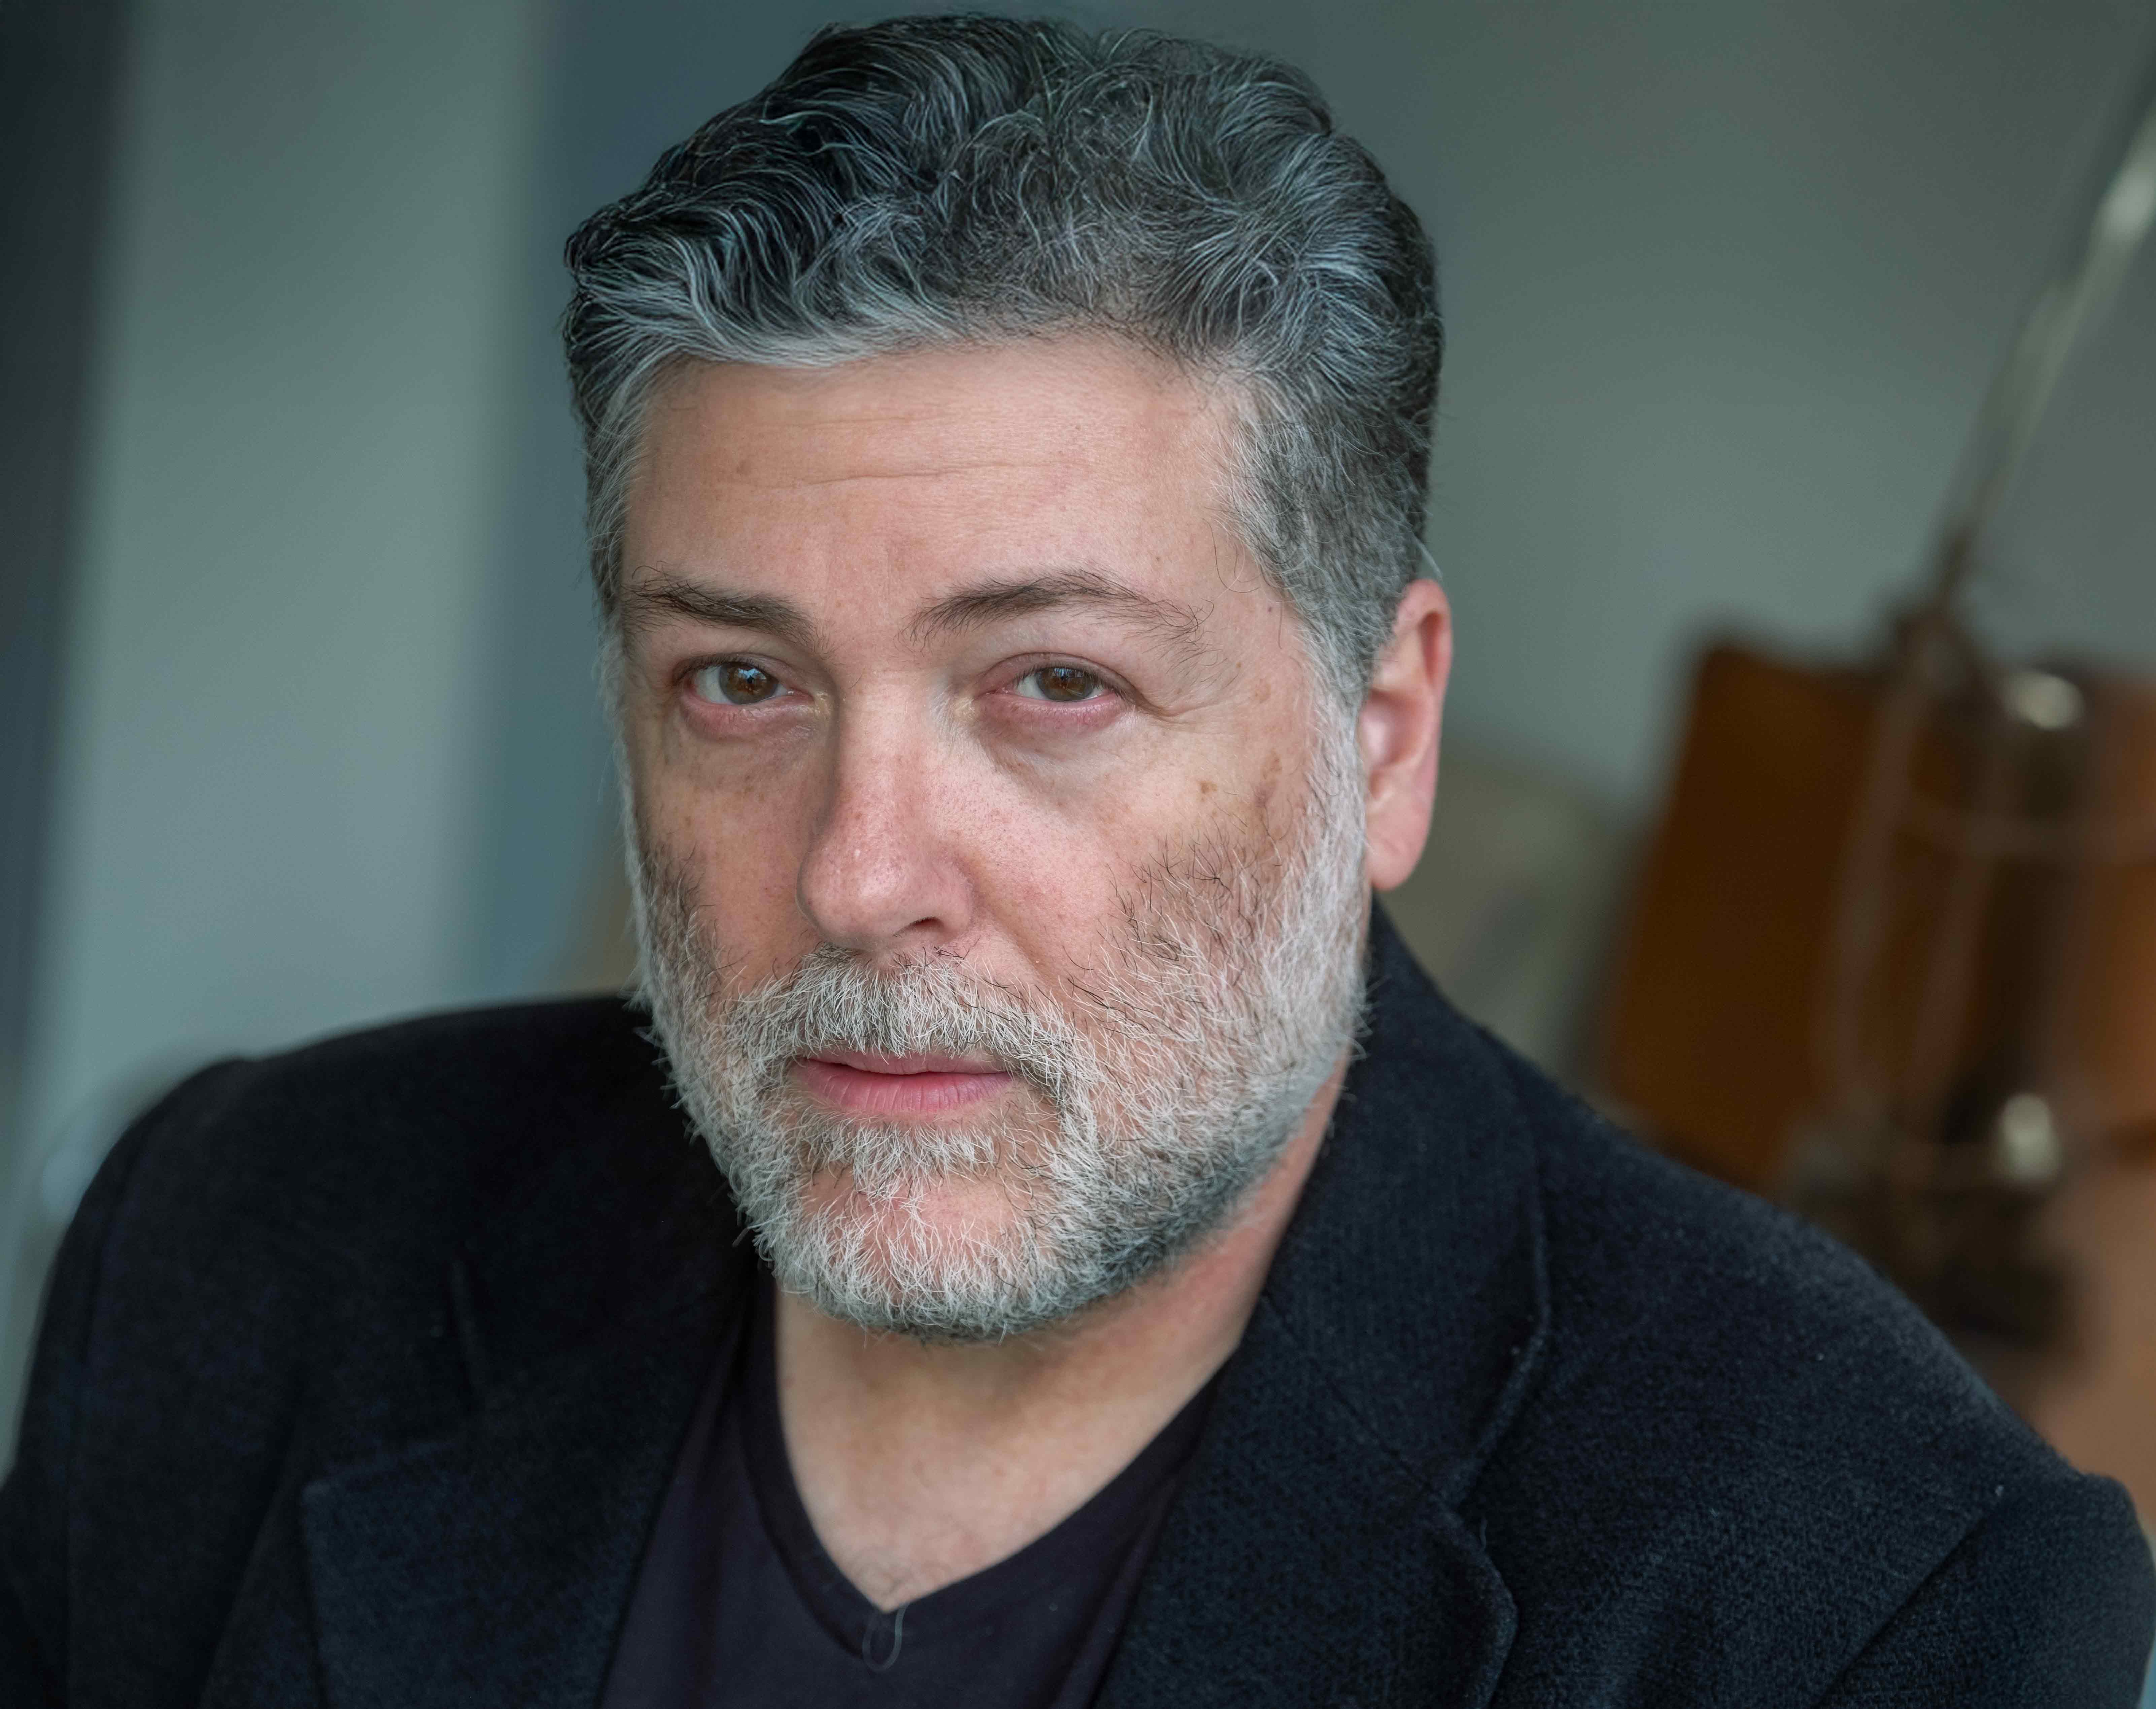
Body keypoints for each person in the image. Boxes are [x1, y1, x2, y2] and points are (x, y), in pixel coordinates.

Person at [4, 16, 2151, 1707]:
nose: (861, 876)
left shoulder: (1864, 1589)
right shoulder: (241, 1246)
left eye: (1051, 683)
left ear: (1382, 730)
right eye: (741, 682)